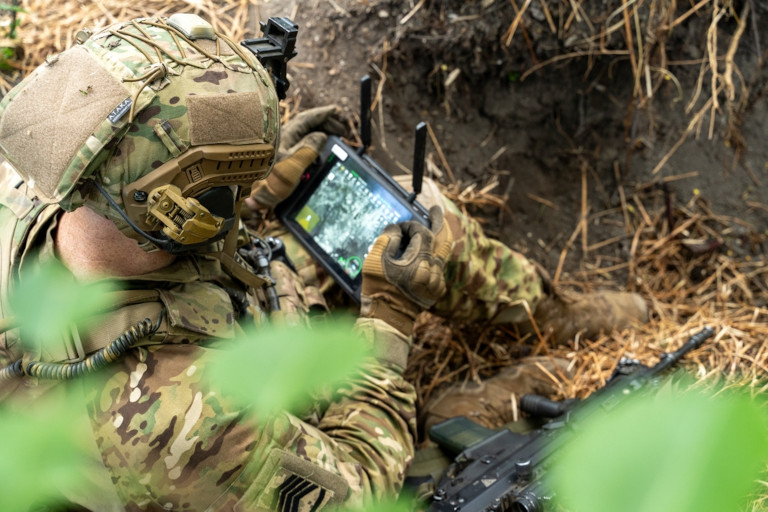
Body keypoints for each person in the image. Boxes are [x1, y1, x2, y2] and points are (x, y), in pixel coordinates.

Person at [0, 13, 647, 512]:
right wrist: (388, 326)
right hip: (219, 457)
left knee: (414, 222)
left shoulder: (45, 183)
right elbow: (355, 487)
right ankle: (492, 396)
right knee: (455, 457)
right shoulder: (176, 421)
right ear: (180, 212)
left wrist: (240, 190)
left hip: (210, 322)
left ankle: (554, 314)